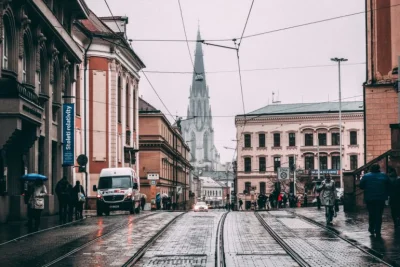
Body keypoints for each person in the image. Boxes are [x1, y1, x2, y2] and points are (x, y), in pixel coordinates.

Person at [359, 164, 389, 237]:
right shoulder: (384, 175)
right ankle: (378, 230)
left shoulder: (366, 176)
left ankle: (371, 228)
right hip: (380, 198)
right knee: (379, 215)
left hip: (370, 198)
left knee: (371, 214)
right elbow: (389, 185)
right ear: (378, 168)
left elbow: (361, 186)